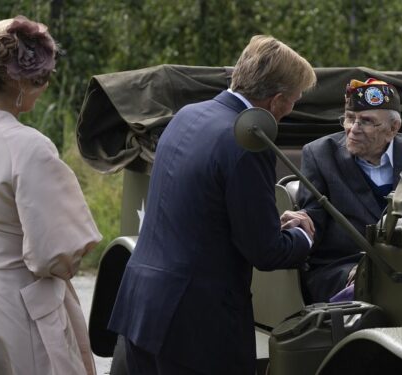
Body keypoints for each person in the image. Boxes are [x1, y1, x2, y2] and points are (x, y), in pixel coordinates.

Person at [108, 35, 317, 374]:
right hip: (196, 326)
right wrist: (305, 237)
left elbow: (203, 210)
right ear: (277, 100)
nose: (291, 109)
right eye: (293, 100)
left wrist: (270, 222)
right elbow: (264, 252)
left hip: (143, 306)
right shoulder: (249, 142)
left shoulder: (187, 115)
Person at [0, 16, 101, 375]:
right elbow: (58, 255)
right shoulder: (29, 147)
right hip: (15, 304)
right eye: (42, 80)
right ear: (23, 82)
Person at [296, 78, 402, 303]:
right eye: (349, 119)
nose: (353, 129)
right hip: (344, 270)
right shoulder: (319, 155)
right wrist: (298, 223)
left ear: (393, 128)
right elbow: (313, 219)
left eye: (366, 121)